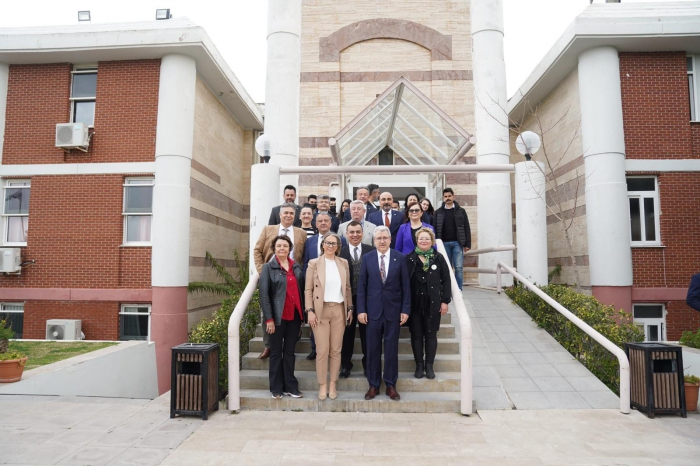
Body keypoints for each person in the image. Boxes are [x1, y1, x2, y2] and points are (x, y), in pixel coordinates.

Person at [357, 226, 411, 401]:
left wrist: (405, 309)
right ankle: (373, 385)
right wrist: (361, 309)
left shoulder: (400, 258)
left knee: (391, 350)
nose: (382, 241)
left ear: (390, 239)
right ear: (374, 241)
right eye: (378, 238)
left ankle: (390, 385)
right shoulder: (367, 258)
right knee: (372, 350)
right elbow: (362, 286)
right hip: (372, 312)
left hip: (393, 312)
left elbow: (406, 286)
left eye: (385, 238)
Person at [254, 203, 307, 359]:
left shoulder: (301, 233)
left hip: (291, 275)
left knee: (292, 309)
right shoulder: (268, 229)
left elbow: (303, 255)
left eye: (291, 213)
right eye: (286, 213)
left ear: (295, 216)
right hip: (271, 275)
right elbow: (257, 250)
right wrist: (262, 271)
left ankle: (292, 337)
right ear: (280, 214)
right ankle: (268, 345)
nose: (288, 215)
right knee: (267, 311)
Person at [305, 232, 353, 400]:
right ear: (323, 245)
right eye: (328, 242)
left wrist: (350, 308)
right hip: (320, 310)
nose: (330, 246)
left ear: (338, 246)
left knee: (336, 350)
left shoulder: (343, 263)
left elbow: (347, 288)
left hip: (339, 309)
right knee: (322, 350)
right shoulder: (314, 263)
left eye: (334, 243)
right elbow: (308, 289)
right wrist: (310, 310)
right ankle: (322, 385)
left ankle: (332, 383)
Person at [259, 235, 305, 399]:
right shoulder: (268, 268)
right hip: (277, 318)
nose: (282, 249)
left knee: (290, 352)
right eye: (279, 246)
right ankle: (276, 388)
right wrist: (269, 319)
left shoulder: (296, 267)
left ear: (290, 248)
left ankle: (290, 387)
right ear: (274, 249)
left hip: (294, 317)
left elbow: (301, 291)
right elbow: (264, 296)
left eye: (285, 246)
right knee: (276, 353)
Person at [406, 228, 451, 380]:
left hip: (433, 303)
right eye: (421, 238)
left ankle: (429, 365)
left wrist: (445, 301)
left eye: (427, 238)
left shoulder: (439, 258)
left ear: (432, 241)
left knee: (431, 334)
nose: (424, 241)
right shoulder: (409, 258)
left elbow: (446, 280)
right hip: (415, 304)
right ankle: (419, 365)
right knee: (416, 334)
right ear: (416, 241)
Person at [302, 211, 347, 360]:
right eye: (320, 221)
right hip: (316, 289)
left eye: (326, 221)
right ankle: (315, 349)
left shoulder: (340, 240)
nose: (323, 223)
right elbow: (305, 262)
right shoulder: (310, 241)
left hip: (334, 290)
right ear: (315, 224)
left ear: (331, 223)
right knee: (316, 323)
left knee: (335, 346)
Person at [339, 221, 375, 378]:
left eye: (358, 232)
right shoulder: (340, 252)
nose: (355, 235)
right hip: (346, 299)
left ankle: (368, 365)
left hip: (368, 299)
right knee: (347, 333)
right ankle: (345, 365)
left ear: (363, 233)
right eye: (352, 232)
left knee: (368, 334)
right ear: (346, 234)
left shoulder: (371, 250)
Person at [432, 188, 471, 290]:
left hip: (457, 243)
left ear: (453, 196)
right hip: (443, 244)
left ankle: (459, 290)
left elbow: (466, 227)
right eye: (445, 196)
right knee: (447, 268)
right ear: (443, 198)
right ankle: (448, 290)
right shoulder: (438, 212)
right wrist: (434, 244)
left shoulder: (461, 211)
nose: (447, 198)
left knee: (459, 268)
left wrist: (467, 244)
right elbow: (434, 229)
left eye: (449, 196)